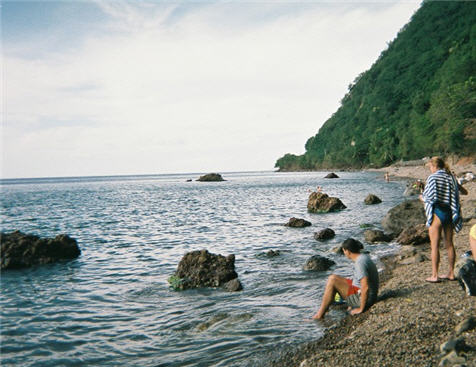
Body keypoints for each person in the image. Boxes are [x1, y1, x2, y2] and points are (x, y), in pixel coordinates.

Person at [312, 238, 379, 319]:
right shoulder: (363, 257)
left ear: (347, 251)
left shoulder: (360, 263)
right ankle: (328, 306)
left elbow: (365, 287)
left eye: (344, 251)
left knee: (332, 280)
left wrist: (361, 308)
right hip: (366, 294)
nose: (344, 253)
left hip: (365, 299)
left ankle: (319, 315)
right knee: (334, 278)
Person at [419, 156, 462, 283]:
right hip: (449, 212)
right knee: (449, 244)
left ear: (434, 166)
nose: (430, 170)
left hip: (437, 212)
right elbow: (460, 192)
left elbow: (429, 197)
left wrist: (421, 197)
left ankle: (434, 275)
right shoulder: (451, 177)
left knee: (434, 246)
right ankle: (451, 273)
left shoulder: (433, 177)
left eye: (430, 167)